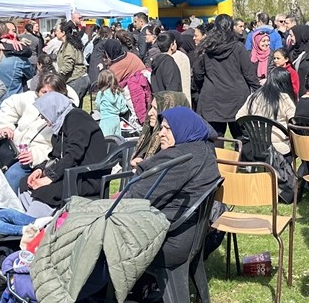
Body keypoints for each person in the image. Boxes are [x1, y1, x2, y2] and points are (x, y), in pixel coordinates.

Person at [132, 106, 222, 269]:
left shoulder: (179, 159)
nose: (160, 133)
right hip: (188, 238)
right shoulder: (204, 150)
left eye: (168, 128)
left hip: (170, 241)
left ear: (183, 128)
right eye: (162, 128)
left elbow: (137, 199)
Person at [21, 91, 107, 212]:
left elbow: (74, 153)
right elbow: (55, 156)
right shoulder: (60, 126)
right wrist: (40, 170)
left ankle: (36, 222)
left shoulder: (77, 117)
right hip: (70, 173)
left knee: (46, 190)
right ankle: (35, 219)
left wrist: (50, 178)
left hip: (85, 177)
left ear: (53, 108)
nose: (41, 116)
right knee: (25, 183)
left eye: (43, 112)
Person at [0, 72, 79, 193]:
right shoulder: (29, 99)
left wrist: (35, 155)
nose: (47, 97)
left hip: (38, 161)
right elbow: (9, 105)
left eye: (53, 93)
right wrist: (5, 126)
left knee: (12, 177)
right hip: (13, 151)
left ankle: (11, 209)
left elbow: (60, 148)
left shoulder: (65, 114)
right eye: (44, 92)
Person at [193, 14, 260, 138]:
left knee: (215, 140)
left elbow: (198, 73)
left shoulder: (207, 48)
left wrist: (199, 88)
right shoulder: (237, 47)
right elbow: (249, 73)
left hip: (214, 97)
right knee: (242, 139)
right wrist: (258, 90)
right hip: (236, 97)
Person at [235, 66, 297, 157]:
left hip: (256, 144)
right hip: (280, 146)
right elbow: (294, 123)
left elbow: (239, 117)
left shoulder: (254, 97)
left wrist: (250, 131)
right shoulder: (285, 99)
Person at [131, 90, 191, 166]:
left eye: (155, 109)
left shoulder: (181, 146)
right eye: (151, 107)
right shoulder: (151, 135)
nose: (149, 113)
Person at [92, 69, 128, 137]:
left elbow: (98, 106)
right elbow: (123, 109)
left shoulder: (101, 93)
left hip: (105, 119)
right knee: (117, 139)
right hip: (116, 119)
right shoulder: (118, 93)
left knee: (106, 139)